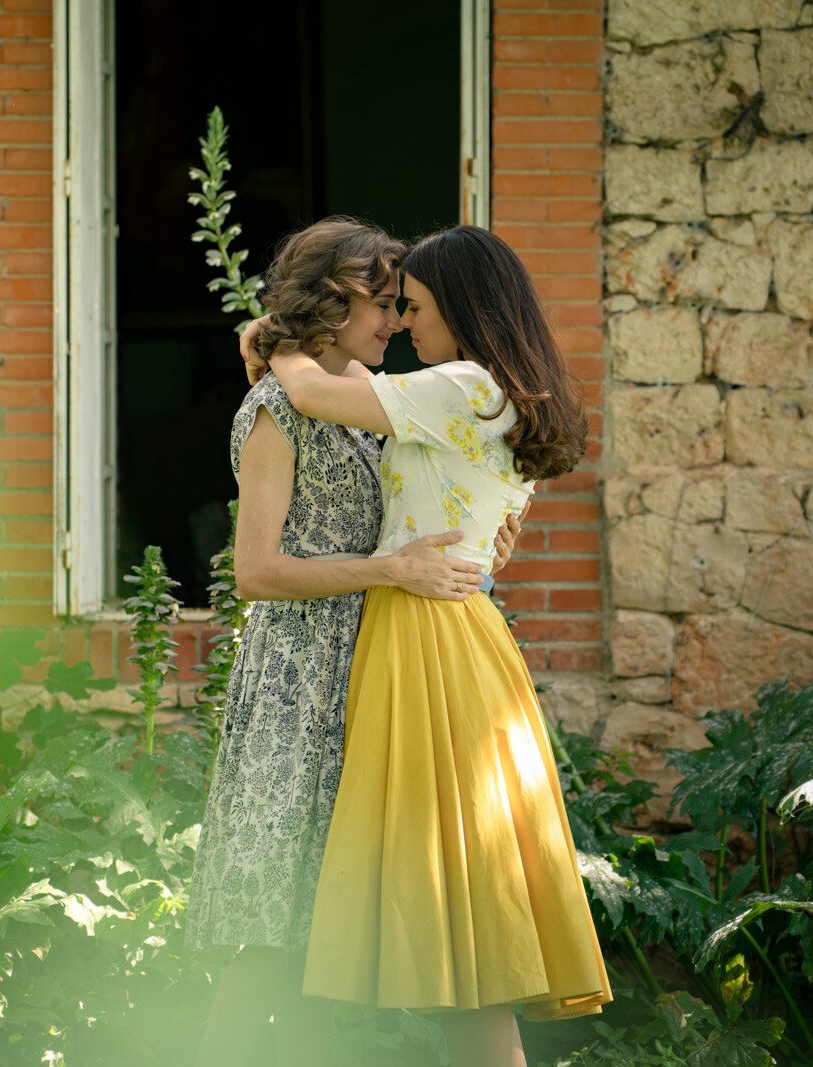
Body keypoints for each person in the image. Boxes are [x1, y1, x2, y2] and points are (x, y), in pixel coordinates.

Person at [249, 224, 610, 1067]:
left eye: (413, 307)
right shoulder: (486, 392)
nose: (405, 325)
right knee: (468, 934)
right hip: (448, 632)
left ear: (464, 308)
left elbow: (313, 393)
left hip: (430, 642)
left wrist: (275, 338)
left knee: (468, 925)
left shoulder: (466, 387)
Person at [186, 217, 522, 1067]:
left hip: (370, 680)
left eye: (401, 305)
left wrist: (479, 543)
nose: (396, 323)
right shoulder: (274, 410)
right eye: (380, 304)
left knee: (329, 940)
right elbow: (257, 570)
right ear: (330, 306)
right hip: (299, 687)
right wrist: (388, 570)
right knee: (272, 932)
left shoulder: (366, 417)